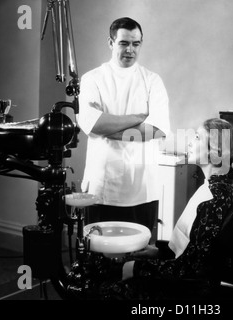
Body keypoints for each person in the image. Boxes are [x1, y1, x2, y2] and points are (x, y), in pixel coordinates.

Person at [97, 118, 233, 300]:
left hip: (186, 290)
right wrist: (159, 251)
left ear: (215, 151)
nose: (189, 141)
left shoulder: (213, 200)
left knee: (106, 286)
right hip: (184, 275)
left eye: (196, 137)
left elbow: (193, 270)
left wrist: (135, 268)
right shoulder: (222, 186)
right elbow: (194, 250)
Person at [77, 17, 170, 233]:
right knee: (100, 256)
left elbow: (156, 129)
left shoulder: (152, 81)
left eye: (136, 44)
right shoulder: (93, 79)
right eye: (123, 43)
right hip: (102, 185)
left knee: (138, 258)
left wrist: (111, 129)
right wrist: (139, 117)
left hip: (142, 187)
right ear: (111, 43)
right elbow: (95, 125)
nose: (130, 50)